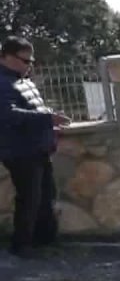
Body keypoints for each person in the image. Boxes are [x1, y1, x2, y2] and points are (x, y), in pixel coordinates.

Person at [0, 37, 72, 259]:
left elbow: (31, 107)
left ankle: (43, 240)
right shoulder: (3, 82)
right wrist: (47, 118)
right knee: (30, 198)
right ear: (6, 57)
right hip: (19, 150)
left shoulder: (21, 80)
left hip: (36, 148)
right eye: (24, 60)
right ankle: (21, 245)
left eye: (30, 61)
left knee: (44, 196)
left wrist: (48, 119)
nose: (29, 65)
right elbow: (8, 115)